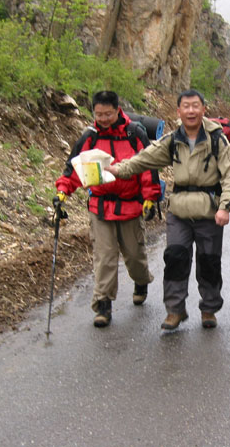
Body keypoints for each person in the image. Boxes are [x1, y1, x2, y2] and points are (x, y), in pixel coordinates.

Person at [105, 89, 230, 330]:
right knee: (175, 258)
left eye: (195, 106)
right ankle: (175, 310)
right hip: (178, 210)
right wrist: (119, 169)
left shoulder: (217, 139)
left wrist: (225, 207)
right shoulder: (173, 139)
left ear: (203, 109)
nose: (191, 111)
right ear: (178, 111)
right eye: (186, 106)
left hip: (209, 211)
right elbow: (144, 158)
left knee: (209, 261)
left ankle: (209, 308)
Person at [54, 91, 161, 328]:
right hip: (100, 206)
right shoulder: (89, 137)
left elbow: (148, 167)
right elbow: (74, 168)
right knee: (105, 257)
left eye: (107, 114)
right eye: (98, 114)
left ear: (117, 110)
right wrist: (63, 191)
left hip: (131, 205)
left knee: (134, 256)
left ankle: (141, 281)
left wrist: (150, 197)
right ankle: (103, 304)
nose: (102, 119)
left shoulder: (135, 134)